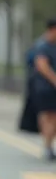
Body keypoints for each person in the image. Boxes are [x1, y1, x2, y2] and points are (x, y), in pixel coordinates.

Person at [32, 19, 56, 160]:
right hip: (44, 87)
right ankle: (47, 146)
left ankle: (48, 146)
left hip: (50, 87)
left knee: (52, 117)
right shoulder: (42, 45)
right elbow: (42, 65)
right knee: (47, 116)